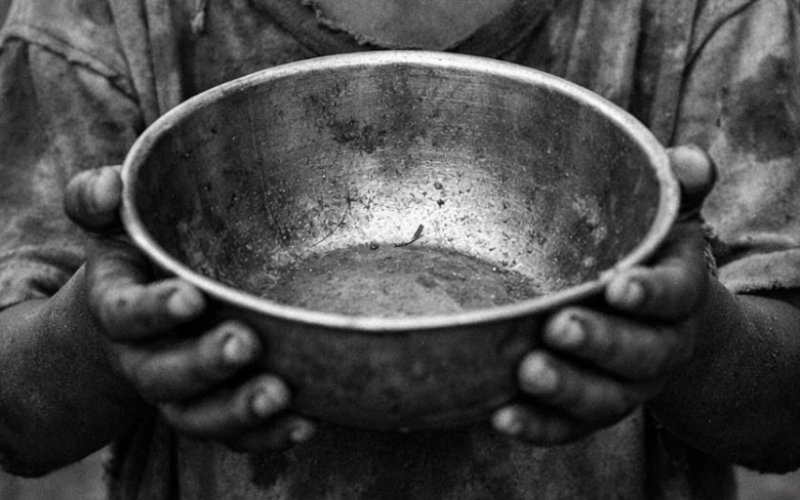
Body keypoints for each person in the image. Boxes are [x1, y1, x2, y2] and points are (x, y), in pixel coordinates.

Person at [1, 0, 800, 498]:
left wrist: (700, 341)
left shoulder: (704, 15)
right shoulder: (104, 16)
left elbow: (785, 410)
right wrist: (99, 335)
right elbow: (17, 419)